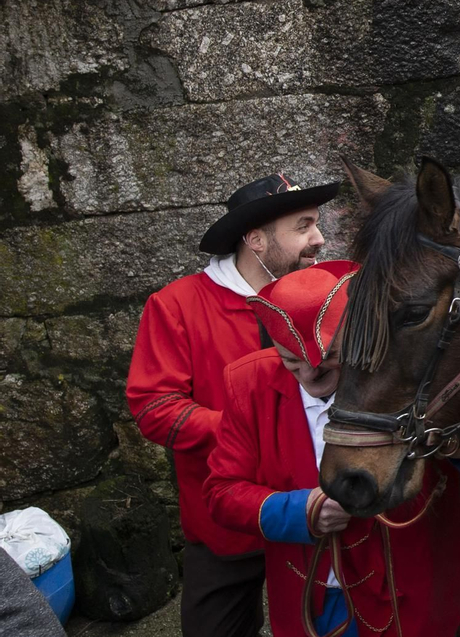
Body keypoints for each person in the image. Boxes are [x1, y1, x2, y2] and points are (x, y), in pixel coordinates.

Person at [204, 262, 460, 636]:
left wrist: (455, 442)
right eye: (292, 361)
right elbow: (222, 492)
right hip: (311, 599)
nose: (311, 375)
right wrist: (301, 511)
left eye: (327, 356)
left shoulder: (408, 365)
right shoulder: (248, 383)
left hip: (405, 591)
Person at [125, 172, 339, 637]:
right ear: (256, 239)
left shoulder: (327, 295)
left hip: (318, 510)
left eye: (316, 224)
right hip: (224, 519)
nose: (319, 239)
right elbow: (154, 407)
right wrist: (245, 432)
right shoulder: (177, 305)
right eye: (303, 226)